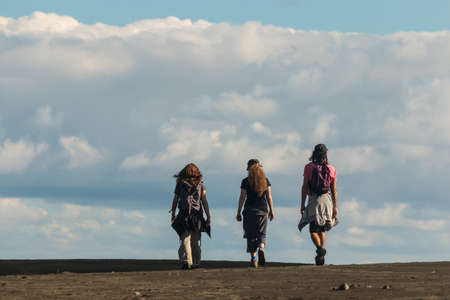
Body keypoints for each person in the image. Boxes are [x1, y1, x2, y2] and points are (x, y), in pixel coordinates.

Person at [298, 144, 338, 265]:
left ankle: (320, 250)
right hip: (327, 201)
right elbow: (334, 190)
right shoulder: (331, 168)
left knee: (313, 230)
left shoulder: (309, 167)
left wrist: (302, 204)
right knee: (322, 230)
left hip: (314, 199)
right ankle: (321, 257)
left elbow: (305, 186)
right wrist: (335, 206)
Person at [171, 163, 211, 270]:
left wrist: (173, 213)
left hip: (184, 215)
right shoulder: (201, 185)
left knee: (185, 239)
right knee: (195, 240)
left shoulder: (180, 184)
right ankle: (196, 262)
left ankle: (186, 261)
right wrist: (208, 217)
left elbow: (175, 200)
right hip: (197, 216)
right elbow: (204, 202)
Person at [236, 159, 275, 268]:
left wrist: (238, 212)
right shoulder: (265, 181)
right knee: (261, 232)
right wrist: (272, 211)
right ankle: (261, 248)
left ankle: (253, 259)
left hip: (249, 211)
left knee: (250, 234)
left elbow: (242, 197)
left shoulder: (245, 181)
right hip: (262, 210)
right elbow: (269, 197)